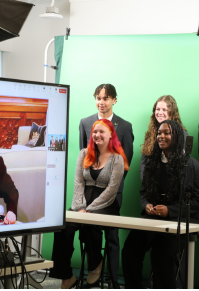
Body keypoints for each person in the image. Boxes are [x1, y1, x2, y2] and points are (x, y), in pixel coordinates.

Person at [121, 120, 199, 289]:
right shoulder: (151, 163)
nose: (161, 136)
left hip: (179, 221)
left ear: (176, 136)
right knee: (130, 250)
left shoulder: (191, 165)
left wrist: (170, 210)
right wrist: (146, 204)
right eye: (159, 133)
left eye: (166, 133)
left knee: (161, 256)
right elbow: (143, 193)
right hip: (151, 220)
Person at [50, 119, 129, 289]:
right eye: (95, 132)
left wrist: (90, 210)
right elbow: (78, 183)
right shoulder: (84, 153)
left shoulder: (117, 158)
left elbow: (112, 190)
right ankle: (66, 274)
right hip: (82, 203)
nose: (97, 135)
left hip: (106, 205)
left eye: (101, 132)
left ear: (110, 135)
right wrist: (80, 208)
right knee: (63, 225)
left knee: (91, 224)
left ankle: (95, 264)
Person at [78, 84, 134, 286]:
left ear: (114, 100)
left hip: (112, 192)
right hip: (88, 192)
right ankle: (94, 269)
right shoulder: (85, 123)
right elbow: (84, 159)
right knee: (86, 230)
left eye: (106, 98)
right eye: (98, 98)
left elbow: (125, 163)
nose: (102, 102)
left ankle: (112, 280)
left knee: (112, 237)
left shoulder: (125, 126)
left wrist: (111, 188)